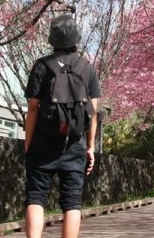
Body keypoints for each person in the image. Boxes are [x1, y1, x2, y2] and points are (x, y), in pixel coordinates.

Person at [24, 14, 101, 238]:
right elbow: (94, 112)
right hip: (74, 143)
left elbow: (32, 109)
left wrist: (28, 144)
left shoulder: (42, 65)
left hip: (42, 142)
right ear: (76, 40)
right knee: (72, 201)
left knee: (36, 196)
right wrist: (90, 147)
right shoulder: (86, 68)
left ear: (52, 40)